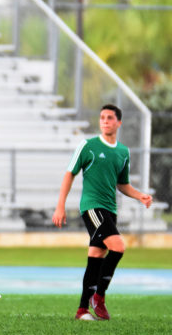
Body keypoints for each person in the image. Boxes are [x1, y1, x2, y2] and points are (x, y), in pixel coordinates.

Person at [53, 104, 152, 321]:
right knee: (118, 247)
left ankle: (81, 310)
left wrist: (140, 196)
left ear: (118, 123)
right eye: (102, 117)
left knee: (96, 256)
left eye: (109, 118)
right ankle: (99, 296)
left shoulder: (123, 152)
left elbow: (123, 184)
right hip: (92, 207)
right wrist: (60, 205)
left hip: (110, 210)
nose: (105, 121)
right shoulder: (87, 146)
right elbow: (69, 174)